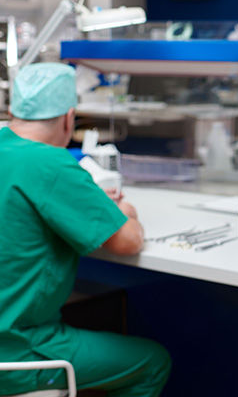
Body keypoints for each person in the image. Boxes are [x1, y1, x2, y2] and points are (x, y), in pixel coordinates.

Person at [0, 63, 171, 396]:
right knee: (152, 362)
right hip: (19, 353)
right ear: (69, 118)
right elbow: (127, 241)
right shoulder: (51, 164)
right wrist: (124, 212)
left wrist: (86, 202)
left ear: (13, 112)